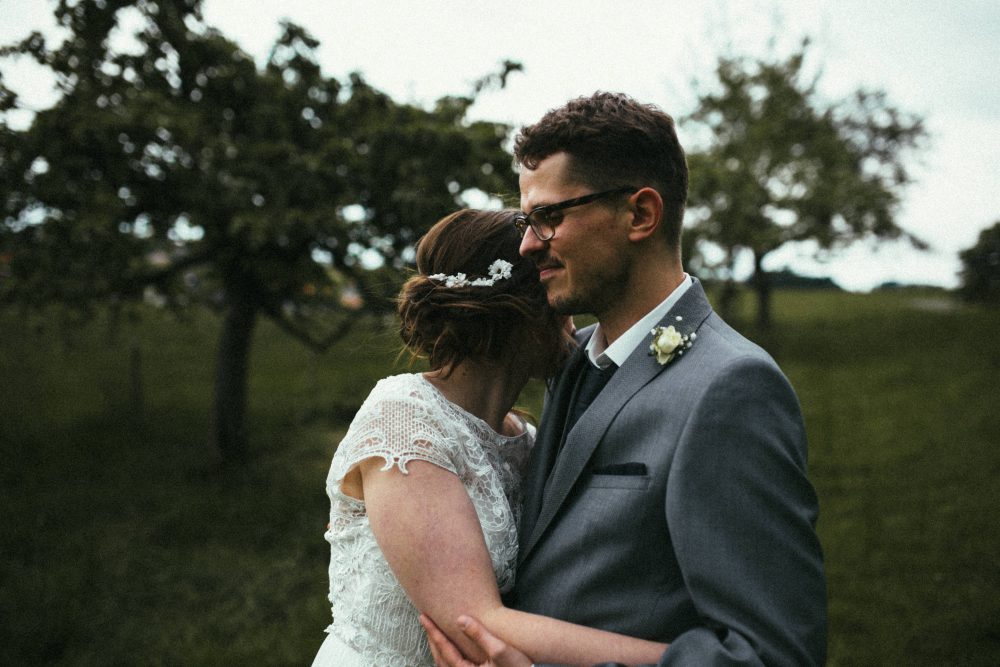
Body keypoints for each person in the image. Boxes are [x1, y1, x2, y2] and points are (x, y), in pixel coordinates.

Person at [422, 92, 828, 666]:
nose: (528, 245)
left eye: (549, 218)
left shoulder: (732, 389)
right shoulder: (569, 361)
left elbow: (771, 656)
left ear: (640, 215)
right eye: (525, 221)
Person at [312, 208, 669, 667]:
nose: (573, 326)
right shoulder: (404, 421)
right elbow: (476, 623)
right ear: (519, 311)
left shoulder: (526, 439)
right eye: (557, 302)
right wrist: (685, 660)